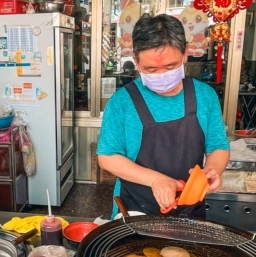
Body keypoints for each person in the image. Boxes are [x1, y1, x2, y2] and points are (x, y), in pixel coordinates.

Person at [97, 14, 230, 218]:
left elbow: (218, 147)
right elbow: (107, 157)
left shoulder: (205, 97)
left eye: (170, 67)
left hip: (189, 209)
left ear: (185, 54)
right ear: (136, 62)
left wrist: (212, 171)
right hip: (135, 208)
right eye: (150, 68)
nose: (161, 74)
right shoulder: (122, 102)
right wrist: (155, 180)